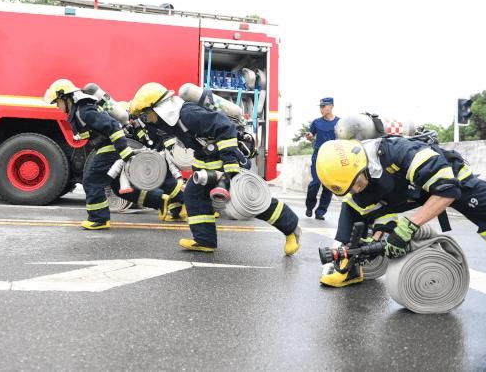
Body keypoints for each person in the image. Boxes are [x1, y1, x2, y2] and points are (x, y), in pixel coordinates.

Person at [129, 82, 302, 254]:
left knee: (248, 200)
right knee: (193, 195)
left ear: (158, 108)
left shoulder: (188, 114)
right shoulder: (168, 121)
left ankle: (292, 228)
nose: (145, 118)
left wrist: (230, 165)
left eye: (146, 114)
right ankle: (205, 240)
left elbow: (225, 127)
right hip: (206, 162)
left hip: (226, 161)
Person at [315, 137, 486, 287]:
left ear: (362, 165)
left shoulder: (400, 152)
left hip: (454, 181)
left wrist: (407, 228)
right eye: (351, 188)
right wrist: (372, 245)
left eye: (358, 183)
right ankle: (349, 269)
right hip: (412, 192)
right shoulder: (358, 180)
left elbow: (447, 189)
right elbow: (379, 210)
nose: (357, 189)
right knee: (352, 205)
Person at [43, 79, 169, 230]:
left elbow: (113, 126)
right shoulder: (80, 111)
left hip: (110, 149)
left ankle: (98, 219)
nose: (57, 106)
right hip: (109, 149)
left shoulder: (85, 112)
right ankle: (160, 201)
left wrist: (123, 150)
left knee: (91, 180)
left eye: (57, 102)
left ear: (66, 98)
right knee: (119, 189)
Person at [305, 97, 340, 220]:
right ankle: (309, 206)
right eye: (320, 106)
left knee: (328, 186)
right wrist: (309, 136)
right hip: (318, 156)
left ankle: (320, 212)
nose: (321, 109)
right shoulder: (316, 122)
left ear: (331, 106)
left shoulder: (339, 122)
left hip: (333, 159)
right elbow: (310, 136)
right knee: (315, 183)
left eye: (323, 106)